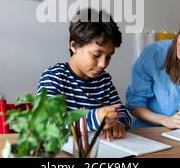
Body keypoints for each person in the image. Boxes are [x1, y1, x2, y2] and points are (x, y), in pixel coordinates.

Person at [37, 8, 131, 140]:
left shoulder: (104, 80)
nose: (103, 64)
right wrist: (95, 119)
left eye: (109, 57)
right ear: (74, 46)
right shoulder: (54, 77)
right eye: (96, 55)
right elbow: (47, 124)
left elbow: (122, 112)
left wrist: (118, 123)